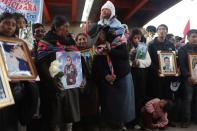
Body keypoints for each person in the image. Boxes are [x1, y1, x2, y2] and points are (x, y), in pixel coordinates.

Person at [36, 16, 80, 131]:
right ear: (56, 27)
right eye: (65, 26)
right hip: (53, 84)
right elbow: (41, 63)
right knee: (55, 114)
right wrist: (53, 82)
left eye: (68, 27)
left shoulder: (70, 40)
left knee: (69, 112)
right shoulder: (46, 41)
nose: (67, 29)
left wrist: (80, 77)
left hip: (70, 82)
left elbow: (77, 59)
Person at [90, 23, 135, 130]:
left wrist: (110, 50)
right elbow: (97, 63)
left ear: (102, 32)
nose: (98, 38)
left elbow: (124, 55)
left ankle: (121, 123)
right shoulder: (97, 45)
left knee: (122, 103)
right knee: (109, 103)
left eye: (99, 35)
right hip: (107, 77)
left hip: (122, 74)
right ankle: (109, 123)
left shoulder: (117, 38)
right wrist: (105, 75)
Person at [0, 12, 38, 131]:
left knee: (12, 122)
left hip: (17, 88)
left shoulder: (20, 43)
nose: (10, 27)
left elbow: (23, 65)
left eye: (13, 24)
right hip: (2, 89)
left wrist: (29, 71)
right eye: (6, 23)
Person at [128, 28, 151, 129]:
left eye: (139, 37)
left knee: (140, 97)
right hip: (130, 74)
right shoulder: (127, 46)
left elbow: (148, 62)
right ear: (131, 38)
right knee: (130, 97)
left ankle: (137, 120)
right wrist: (131, 61)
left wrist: (139, 63)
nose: (137, 40)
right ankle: (129, 121)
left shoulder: (143, 47)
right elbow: (124, 62)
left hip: (141, 74)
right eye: (135, 38)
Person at [148, 24, 176, 99]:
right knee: (157, 96)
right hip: (156, 75)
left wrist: (175, 68)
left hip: (168, 75)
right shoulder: (151, 45)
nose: (162, 31)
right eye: (160, 29)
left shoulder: (171, 44)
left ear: (167, 31)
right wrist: (156, 69)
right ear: (157, 31)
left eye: (164, 29)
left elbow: (174, 59)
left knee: (167, 96)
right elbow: (149, 60)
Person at [178, 29, 197, 128]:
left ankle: (195, 118)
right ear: (188, 37)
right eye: (193, 36)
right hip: (188, 79)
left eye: (196, 37)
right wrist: (188, 76)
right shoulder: (183, 49)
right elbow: (182, 64)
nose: (195, 38)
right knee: (188, 99)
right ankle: (186, 120)